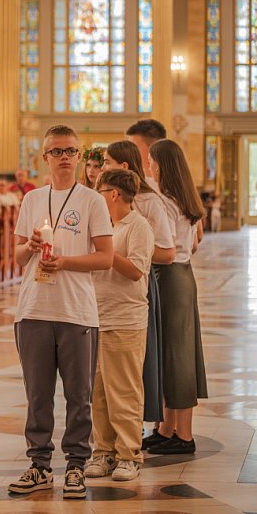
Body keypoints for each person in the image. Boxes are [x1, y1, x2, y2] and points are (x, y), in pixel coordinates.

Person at [7, 125, 113, 500]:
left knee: (78, 395)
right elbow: (18, 257)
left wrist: (65, 261)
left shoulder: (92, 201)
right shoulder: (33, 199)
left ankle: (75, 465)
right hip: (34, 309)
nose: (64, 156)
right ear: (45, 157)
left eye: (71, 150)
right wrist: (32, 245)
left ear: (80, 156)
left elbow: (105, 256)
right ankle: (39, 465)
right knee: (37, 395)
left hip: (77, 312)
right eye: (57, 151)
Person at [86, 169, 154, 482]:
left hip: (125, 319)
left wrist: (105, 252)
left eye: (100, 192)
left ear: (113, 194)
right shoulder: (102, 226)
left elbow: (136, 271)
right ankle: (102, 452)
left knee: (123, 391)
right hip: (95, 316)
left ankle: (129, 454)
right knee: (98, 393)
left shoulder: (137, 226)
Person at [102, 140, 175, 425]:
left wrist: (128, 251)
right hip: (108, 295)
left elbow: (167, 252)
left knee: (134, 367)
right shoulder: (105, 203)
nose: (102, 167)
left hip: (138, 286)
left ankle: (132, 433)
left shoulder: (147, 202)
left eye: (107, 162)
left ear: (123, 167)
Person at [143, 139, 207, 455]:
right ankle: (168, 428)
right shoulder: (183, 197)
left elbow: (165, 248)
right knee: (171, 353)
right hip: (182, 275)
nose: (149, 167)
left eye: (152, 162)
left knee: (177, 356)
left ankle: (184, 435)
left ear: (161, 165)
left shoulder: (166, 201)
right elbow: (194, 242)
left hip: (170, 276)